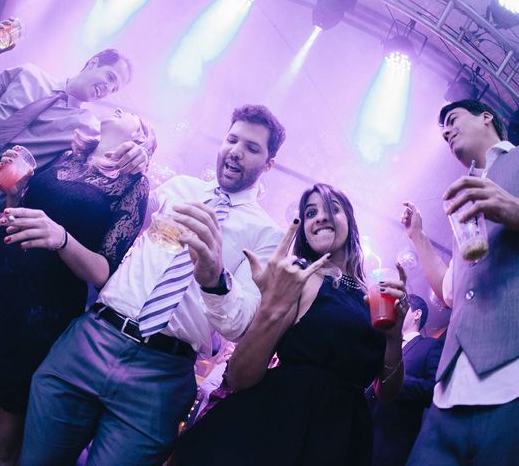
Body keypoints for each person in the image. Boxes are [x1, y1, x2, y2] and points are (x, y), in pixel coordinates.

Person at [18, 104, 286, 466]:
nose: (236, 150)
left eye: (252, 148)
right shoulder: (179, 188)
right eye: (232, 139)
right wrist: (136, 154)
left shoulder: (267, 234)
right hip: (93, 338)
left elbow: (239, 327)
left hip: (160, 377)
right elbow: (117, 218)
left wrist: (213, 277)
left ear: (269, 164)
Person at [0, 110, 156, 466]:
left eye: (130, 113)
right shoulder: (70, 155)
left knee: (4, 441)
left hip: (41, 309)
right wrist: (13, 194)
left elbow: (104, 272)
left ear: (141, 136)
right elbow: (18, 219)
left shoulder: (133, 182)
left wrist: (61, 239)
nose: (120, 108)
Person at [0, 19, 150, 346]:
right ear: (93, 62)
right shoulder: (29, 75)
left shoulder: (87, 131)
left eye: (115, 88)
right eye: (109, 78)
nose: (107, 89)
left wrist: (140, 154)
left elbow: (118, 150)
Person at [175, 183, 409, 466]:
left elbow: (386, 392)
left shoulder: (372, 297)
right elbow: (240, 376)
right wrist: (271, 307)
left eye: (332, 209)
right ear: (305, 232)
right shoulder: (298, 278)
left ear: (349, 220)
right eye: (311, 213)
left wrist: (395, 338)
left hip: (342, 435)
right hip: (280, 424)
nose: (320, 217)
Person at [404, 99, 519, 465]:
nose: (446, 131)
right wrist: (418, 236)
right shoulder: (466, 201)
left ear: (487, 117)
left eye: (452, 120)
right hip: (447, 401)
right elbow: (452, 292)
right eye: (442, 130)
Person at [367, 294, 443, 466]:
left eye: (401, 307)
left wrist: (392, 381)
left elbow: (434, 390)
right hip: (364, 438)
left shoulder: (430, 346)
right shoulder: (381, 346)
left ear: (417, 314)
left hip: (394, 443)